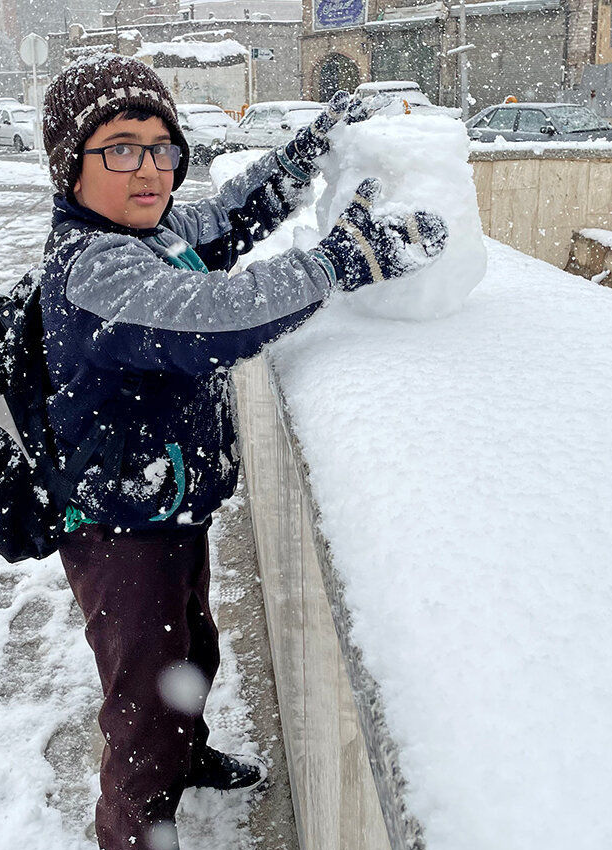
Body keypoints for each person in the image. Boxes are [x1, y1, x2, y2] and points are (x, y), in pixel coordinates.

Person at [38, 53, 448, 850]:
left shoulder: (150, 235)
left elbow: (227, 219)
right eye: (120, 148)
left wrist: (296, 163)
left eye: (163, 146)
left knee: (192, 648)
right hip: (118, 531)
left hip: (165, 509)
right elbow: (217, 316)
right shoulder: (95, 270)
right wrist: (339, 262)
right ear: (71, 166)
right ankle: (136, 828)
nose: (150, 168)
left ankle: (185, 759)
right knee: (141, 713)